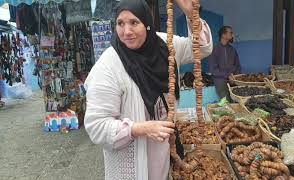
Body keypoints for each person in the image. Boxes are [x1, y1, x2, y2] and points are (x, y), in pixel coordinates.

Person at [84, 0, 213, 179]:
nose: (126, 31)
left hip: (164, 156)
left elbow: (202, 48)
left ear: (147, 23)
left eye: (134, 22)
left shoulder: (165, 45)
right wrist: (139, 129)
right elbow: (96, 126)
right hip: (132, 166)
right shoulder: (108, 67)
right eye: (120, 23)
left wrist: (192, 15)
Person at [208, 26, 241, 101]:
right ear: (223, 35)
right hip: (220, 82)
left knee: (238, 102)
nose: (233, 35)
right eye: (231, 33)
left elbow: (238, 66)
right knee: (227, 103)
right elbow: (213, 70)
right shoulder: (214, 49)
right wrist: (227, 75)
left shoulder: (232, 50)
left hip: (233, 81)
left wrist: (236, 77)